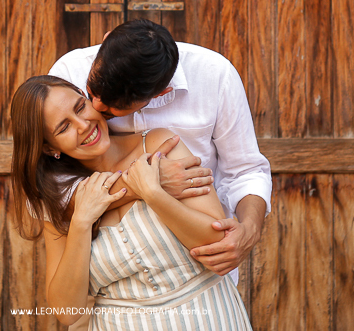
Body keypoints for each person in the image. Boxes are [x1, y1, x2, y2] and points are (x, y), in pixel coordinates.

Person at [10, 75, 253, 330]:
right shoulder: (59, 199)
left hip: (208, 318)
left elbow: (217, 242)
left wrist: (152, 194)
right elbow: (67, 312)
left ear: (88, 98)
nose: (83, 125)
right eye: (64, 128)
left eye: (80, 107)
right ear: (50, 148)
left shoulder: (159, 145)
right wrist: (81, 222)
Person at [48, 19, 271, 279]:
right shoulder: (67, 72)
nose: (95, 107)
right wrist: (146, 185)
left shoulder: (215, 75)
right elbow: (53, 189)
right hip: (109, 269)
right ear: (106, 40)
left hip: (200, 266)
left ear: (160, 94)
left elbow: (245, 171)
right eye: (90, 91)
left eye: (112, 110)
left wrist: (250, 230)